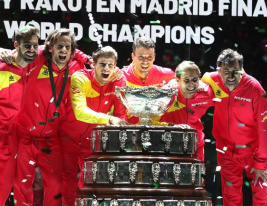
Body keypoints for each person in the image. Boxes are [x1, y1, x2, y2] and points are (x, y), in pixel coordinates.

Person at [13, 28, 98, 206]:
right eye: (60, 46)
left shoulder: (77, 69)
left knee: (55, 187)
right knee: (23, 184)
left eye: (68, 47)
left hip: (51, 138)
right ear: (51, 48)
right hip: (25, 135)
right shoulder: (37, 60)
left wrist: (84, 57)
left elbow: (99, 73)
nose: (64, 51)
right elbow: (20, 51)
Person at [59, 46, 127, 206]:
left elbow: (121, 114)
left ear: (115, 66)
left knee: (90, 185)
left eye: (111, 65)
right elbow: (80, 112)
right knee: (67, 182)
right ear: (93, 64)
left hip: (93, 142)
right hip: (68, 138)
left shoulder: (118, 80)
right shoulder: (80, 78)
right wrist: (109, 119)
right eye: (102, 64)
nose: (106, 69)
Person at [202, 48, 267, 206]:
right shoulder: (210, 80)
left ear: (242, 70)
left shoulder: (254, 89)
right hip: (226, 152)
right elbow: (190, 87)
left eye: (236, 71)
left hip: (253, 153)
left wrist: (261, 162)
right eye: (226, 71)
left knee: (260, 197)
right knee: (230, 199)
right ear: (218, 70)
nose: (231, 76)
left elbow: (265, 128)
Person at [0, 25, 40, 206]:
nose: (32, 50)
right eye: (27, 46)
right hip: (3, 139)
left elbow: (68, 49)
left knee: (24, 190)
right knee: (1, 186)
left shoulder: (39, 67)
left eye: (35, 45)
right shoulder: (2, 69)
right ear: (16, 45)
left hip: (26, 139)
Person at [161, 61, 214, 161]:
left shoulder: (207, 94)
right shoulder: (166, 94)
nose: (191, 84)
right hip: (168, 143)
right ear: (177, 80)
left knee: (198, 175)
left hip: (195, 143)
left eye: (195, 80)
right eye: (186, 80)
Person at [121, 36, 176, 124]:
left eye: (149, 57)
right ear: (133, 56)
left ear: (154, 57)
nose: (145, 61)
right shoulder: (121, 76)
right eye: (141, 57)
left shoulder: (167, 75)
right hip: (129, 131)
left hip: (158, 132)